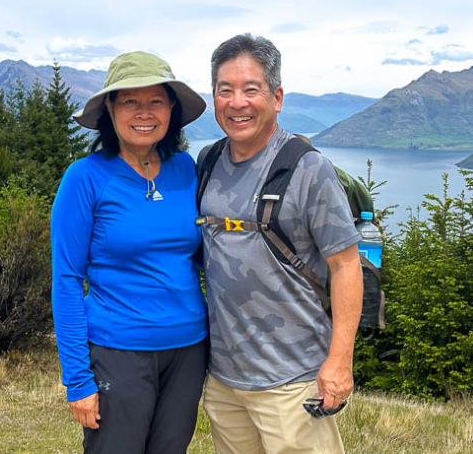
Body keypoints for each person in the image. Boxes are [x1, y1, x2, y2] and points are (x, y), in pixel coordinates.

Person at [198, 34, 363, 453]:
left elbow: (346, 266)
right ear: (214, 96)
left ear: (277, 96)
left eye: (251, 89)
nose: (237, 102)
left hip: (294, 383)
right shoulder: (208, 162)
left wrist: (340, 362)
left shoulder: (310, 170)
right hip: (224, 382)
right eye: (225, 90)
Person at [51, 51, 209, 454]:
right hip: (117, 351)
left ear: (172, 108)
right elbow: (67, 280)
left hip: (188, 351)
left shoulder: (185, 169)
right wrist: (78, 379)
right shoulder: (85, 178)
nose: (144, 112)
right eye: (130, 101)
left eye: (155, 100)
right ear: (110, 108)